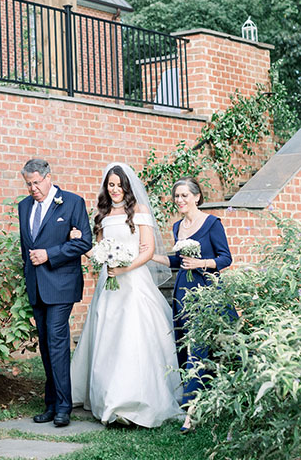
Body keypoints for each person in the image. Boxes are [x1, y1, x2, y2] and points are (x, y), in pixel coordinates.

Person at [69, 162, 182, 428]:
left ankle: (132, 400)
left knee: (133, 339)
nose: (115, 189)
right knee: (108, 339)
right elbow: (99, 252)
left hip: (134, 284)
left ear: (127, 187)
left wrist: (123, 268)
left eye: (119, 185)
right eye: (111, 185)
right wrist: (80, 243)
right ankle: (108, 397)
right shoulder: (104, 214)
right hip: (110, 288)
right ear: (106, 187)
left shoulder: (140, 210)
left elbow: (147, 249)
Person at [152, 176, 233, 432]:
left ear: (197, 197)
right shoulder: (177, 227)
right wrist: (150, 256)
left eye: (185, 195)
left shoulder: (212, 223)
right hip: (183, 293)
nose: (180, 200)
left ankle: (191, 415)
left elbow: (225, 258)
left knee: (199, 350)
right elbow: (178, 261)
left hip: (207, 293)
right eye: (177, 196)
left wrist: (201, 264)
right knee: (186, 350)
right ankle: (202, 402)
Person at [19, 158, 92, 427]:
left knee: (57, 342)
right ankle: (50, 404)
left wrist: (49, 254)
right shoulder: (24, 206)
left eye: (36, 182)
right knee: (46, 346)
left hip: (61, 285)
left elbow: (84, 241)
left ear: (49, 177)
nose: (32, 188)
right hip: (37, 286)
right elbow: (24, 246)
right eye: (28, 184)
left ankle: (64, 406)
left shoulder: (72, 202)